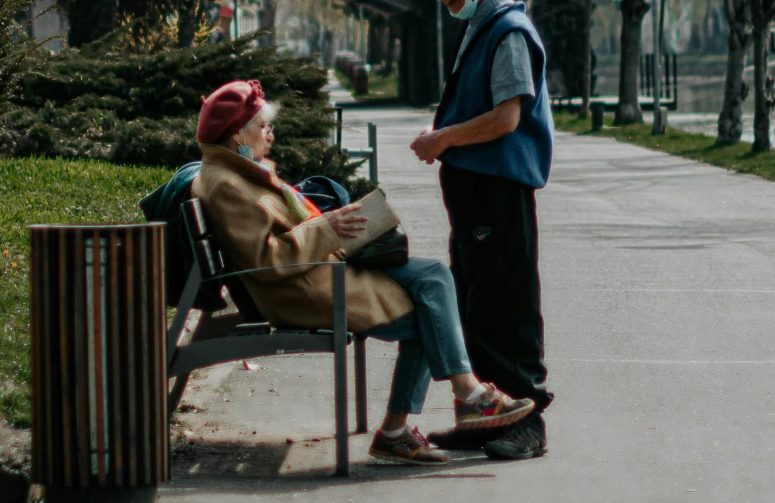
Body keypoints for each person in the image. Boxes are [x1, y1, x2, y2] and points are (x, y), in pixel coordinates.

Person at [192, 78, 534, 466]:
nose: (270, 134)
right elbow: (266, 262)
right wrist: (329, 228)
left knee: (435, 278)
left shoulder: (237, 172)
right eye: (263, 126)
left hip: (321, 270)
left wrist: (344, 224)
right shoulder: (228, 185)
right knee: (431, 300)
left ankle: (443, 407)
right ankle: (443, 407)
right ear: (238, 132)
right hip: (307, 289)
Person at [409, 0, 554, 460]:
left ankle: (528, 421)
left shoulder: (507, 29)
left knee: (506, 308)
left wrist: (443, 138)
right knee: (477, 304)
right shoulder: (482, 24)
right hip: (476, 195)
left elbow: (506, 117)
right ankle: (485, 419)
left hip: (498, 191)